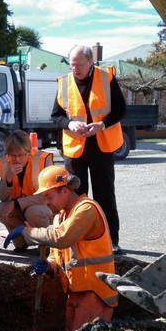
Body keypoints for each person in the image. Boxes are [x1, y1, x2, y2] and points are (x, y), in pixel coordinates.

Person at [3, 165, 118, 331]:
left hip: (95, 294)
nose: (46, 202)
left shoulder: (86, 209)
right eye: (44, 198)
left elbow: (61, 238)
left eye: (48, 196)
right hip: (75, 292)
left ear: (64, 190)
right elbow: (59, 255)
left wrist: (26, 231)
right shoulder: (60, 217)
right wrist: (50, 266)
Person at [51, 44, 126, 254]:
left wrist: (101, 125)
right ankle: (77, 240)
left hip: (101, 146)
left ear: (90, 61)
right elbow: (56, 116)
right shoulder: (64, 82)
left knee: (105, 195)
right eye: (72, 65)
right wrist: (69, 124)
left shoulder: (106, 78)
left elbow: (121, 110)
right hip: (74, 149)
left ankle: (111, 241)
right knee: (76, 196)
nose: (75, 69)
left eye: (79, 65)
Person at [0, 130, 54, 252]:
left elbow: (47, 196)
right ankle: (22, 242)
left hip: (44, 207)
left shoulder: (43, 160)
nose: (17, 159)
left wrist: (15, 203)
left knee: (33, 211)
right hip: (22, 208)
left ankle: (45, 244)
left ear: (29, 152)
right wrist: (9, 178)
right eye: (13, 155)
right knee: (0, 210)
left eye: (21, 155)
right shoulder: (5, 163)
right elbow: (2, 198)